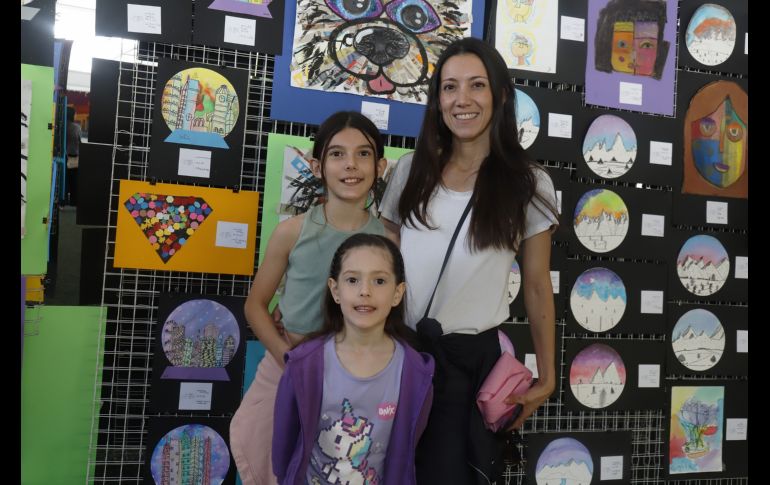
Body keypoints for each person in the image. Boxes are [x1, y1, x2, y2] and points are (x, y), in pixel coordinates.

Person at [379, 37, 559, 484]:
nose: (462, 99)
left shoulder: (528, 182)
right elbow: (383, 262)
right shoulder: (410, 170)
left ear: (500, 95)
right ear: (437, 99)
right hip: (397, 354)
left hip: (468, 366)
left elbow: (537, 284)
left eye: (476, 85)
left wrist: (548, 375)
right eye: (449, 87)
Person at [230, 111, 388, 485]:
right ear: (317, 166)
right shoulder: (292, 232)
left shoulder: (389, 240)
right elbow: (255, 305)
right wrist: (289, 361)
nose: (350, 165)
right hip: (288, 368)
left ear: (380, 167)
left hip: (354, 383)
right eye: (337, 154)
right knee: (271, 459)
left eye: (363, 154)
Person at [272, 233, 434, 485]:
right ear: (335, 290)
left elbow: (407, 451)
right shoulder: (303, 364)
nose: (365, 291)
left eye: (379, 281)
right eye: (352, 280)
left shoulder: (415, 373)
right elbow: (283, 451)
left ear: (397, 293)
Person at [65, 107, 82, 206]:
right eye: (75, 114)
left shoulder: (62, 126)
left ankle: (64, 200)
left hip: (64, 156)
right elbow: (79, 141)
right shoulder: (76, 127)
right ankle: (73, 201)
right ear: (72, 115)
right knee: (74, 181)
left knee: (65, 180)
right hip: (74, 158)